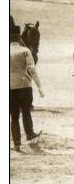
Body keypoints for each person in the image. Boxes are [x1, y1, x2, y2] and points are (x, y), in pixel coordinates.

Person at [10, 23, 44, 151]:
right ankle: (30, 135)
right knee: (26, 112)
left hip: (10, 88)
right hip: (25, 86)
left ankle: (17, 143)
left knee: (13, 116)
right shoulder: (25, 51)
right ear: (19, 38)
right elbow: (32, 70)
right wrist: (39, 86)